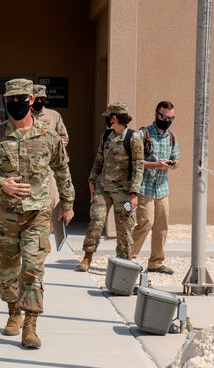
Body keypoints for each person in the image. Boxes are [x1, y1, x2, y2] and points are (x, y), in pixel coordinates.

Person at [0, 79, 74, 349]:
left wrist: (67, 204)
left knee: (32, 269)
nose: (16, 105)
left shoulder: (48, 135)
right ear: (6, 102)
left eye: (21, 100)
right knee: (5, 271)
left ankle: (30, 323)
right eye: (11, 100)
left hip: (36, 214)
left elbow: (62, 170)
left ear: (31, 101)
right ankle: (13, 311)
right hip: (4, 216)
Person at [77, 103, 143, 272]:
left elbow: (138, 167)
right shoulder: (106, 136)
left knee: (124, 227)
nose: (107, 120)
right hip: (102, 188)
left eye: (108, 117)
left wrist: (134, 194)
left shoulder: (133, 138)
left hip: (125, 194)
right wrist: (92, 178)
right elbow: (99, 159)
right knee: (96, 221)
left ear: (114, 118)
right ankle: (87, 256)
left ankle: (124, 263)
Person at [131, 101, 180, 275]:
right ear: (156, 114)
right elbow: (135, 162)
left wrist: (172, 165)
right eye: (163, 117)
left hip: (162, 189)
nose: (166, 120)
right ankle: (128, 258)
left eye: (170, 118)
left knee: (162, 226)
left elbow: (177, 158)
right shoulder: (141, 135)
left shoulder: (171, 137)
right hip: (145, 188)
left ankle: (156, 262)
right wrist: (156, 165)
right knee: (146, 223)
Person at [32, 84, 69, 252]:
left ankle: (45, 237)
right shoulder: (25, 115)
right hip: (31, 169)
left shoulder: (53, 116)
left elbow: (64, 137)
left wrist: (51, 145)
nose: (39, 102)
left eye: (42, 99)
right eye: (36, 99)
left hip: (50, 168)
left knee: (52, 202)